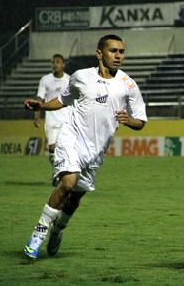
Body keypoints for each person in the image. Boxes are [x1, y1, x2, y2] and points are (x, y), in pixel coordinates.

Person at [23, 34, 147, 259]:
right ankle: (39, 232)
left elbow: (141, 120)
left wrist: (130, 121)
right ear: (99, 53)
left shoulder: (128, 85)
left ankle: (58, 230)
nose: (118, 55)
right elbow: (63, 100)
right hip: (72, 137)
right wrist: (41, 106)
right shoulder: (81, 77)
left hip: (96, 151)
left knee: (76, 198)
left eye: (121, 51)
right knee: (68, 183)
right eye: (113, 51)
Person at [34, 54, 70, 167]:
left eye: (58, 62)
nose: (55, 64)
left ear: (63, 64)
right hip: (51, 119)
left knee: (65, 148)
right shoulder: (46, 80)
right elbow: (39, 99)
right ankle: (57, 170)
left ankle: (61, 173)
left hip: (66, 119)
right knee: (52, 148)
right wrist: (37, 117)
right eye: (53, 62)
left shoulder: (69, 79)